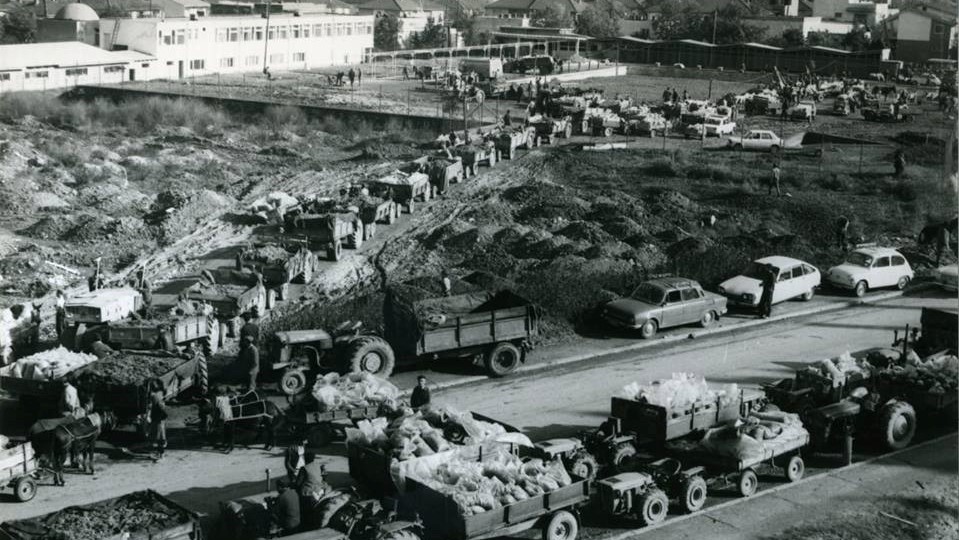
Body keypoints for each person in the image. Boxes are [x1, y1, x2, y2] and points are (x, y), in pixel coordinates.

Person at [148, 379, 168, 458]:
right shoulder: (160, 394)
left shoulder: (154, 396)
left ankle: (160, 454)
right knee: (159, 436)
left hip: (158, 419)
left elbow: (159, 408)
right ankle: (160, 453)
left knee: (158, 436)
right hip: (159, 419)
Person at [215, 387, 235, 452]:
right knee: (226, 431)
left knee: (229, 431)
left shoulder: (223, 399)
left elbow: (219, 407)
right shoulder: (221, 398)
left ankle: (230, 446)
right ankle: (227, 444)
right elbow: (218, 407)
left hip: (228, 416)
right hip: (225, 416)